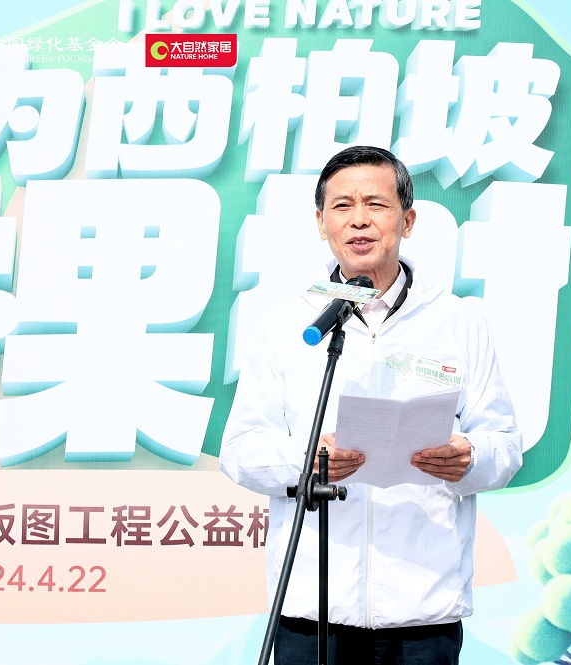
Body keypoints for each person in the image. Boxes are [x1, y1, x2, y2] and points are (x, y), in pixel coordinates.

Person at [220, 145, 522, 665]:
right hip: (312, 611)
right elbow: (241, 451)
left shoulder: (458, 323)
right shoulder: (287, 326)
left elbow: (505, 447)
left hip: (424, 612)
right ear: (321, 223)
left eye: (376, 204)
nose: (358, 220)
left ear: (408, 219)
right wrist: (306, 458)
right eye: (342, 206)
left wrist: (469, 457)